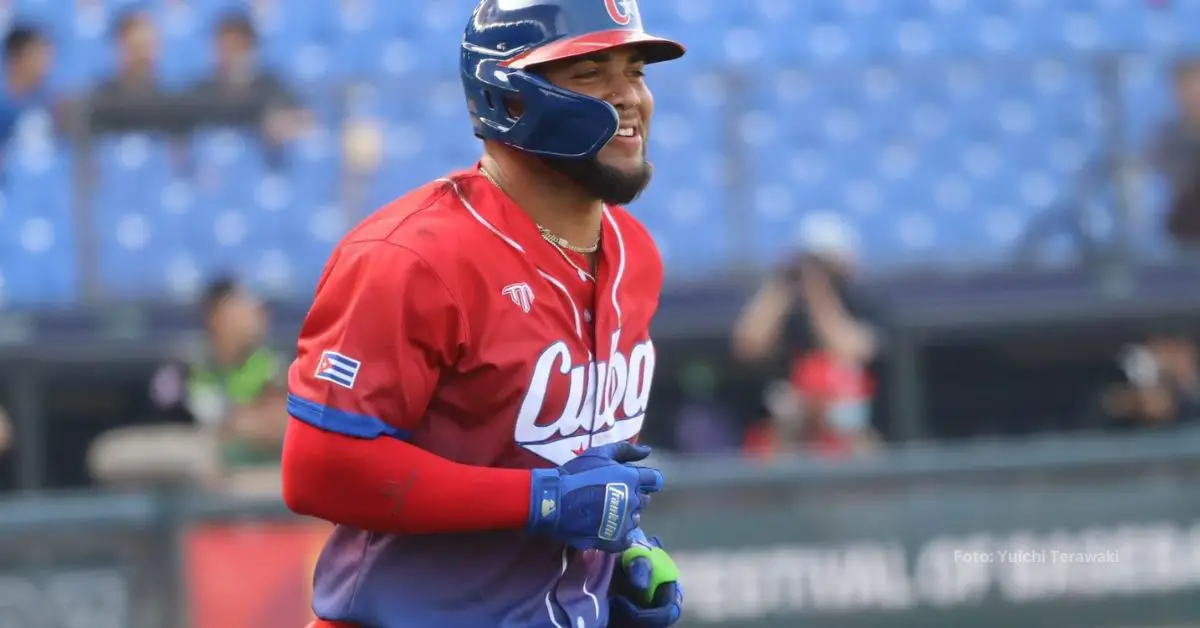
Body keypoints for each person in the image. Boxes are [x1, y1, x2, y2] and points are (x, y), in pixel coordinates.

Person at [282, 1, 684, 627]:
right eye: (591, 73)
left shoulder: (638, 253)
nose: (629, 96)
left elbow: (565, 468)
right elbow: (321, 470)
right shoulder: (412, 257)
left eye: (635, 71)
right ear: (511, 98)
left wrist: (608, 565)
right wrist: (544, 502)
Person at [733, 216, 883, 457]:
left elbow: (850, 347)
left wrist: (819, 293)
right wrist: (780, 287)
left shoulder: (864, 302)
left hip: (846, 417)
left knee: (858, 438)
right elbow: (749, 345)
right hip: (792, 422)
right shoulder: (785, 306)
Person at [0, 24, 54, 158]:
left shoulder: (46, 102)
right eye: (37, 55)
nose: (44, 63)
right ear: (16, 59)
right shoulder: (3, 105)